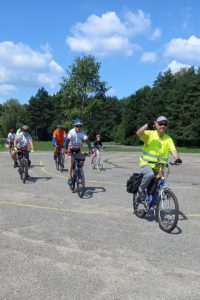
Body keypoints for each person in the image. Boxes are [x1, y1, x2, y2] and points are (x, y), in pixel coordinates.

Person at [136, 115, 182, 202]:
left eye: (165, 124)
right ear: (156, 125)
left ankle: (153, 203)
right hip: (146, 164)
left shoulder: (168, 138)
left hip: (159, 167)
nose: (163, 126)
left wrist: (177, 158)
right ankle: (140, 189)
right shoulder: (150, 134)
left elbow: (173, 149)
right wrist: (147, 125)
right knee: (149, 174)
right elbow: (138, 133)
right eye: (160, 124)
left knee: (160, 185)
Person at [65, 118, 93, 186]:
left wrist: (90, 149)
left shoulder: (82, 133)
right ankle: (69, 178)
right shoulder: (71, 132)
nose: (79, 127)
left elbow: (87, 141)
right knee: (71, 161)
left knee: (82, 161)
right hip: (71, 148)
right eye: (77, 126)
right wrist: (66, 149)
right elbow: (67, 140)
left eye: (80, 126)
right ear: (74, 126)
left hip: (77, 149)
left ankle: (79, 173)